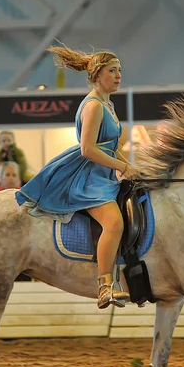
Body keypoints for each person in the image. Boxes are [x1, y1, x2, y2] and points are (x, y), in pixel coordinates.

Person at [15, 44, 140, 309]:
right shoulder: (94, 106)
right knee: (114, 223)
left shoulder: (108, 103)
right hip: (89, 176)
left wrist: (130, 167)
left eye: (119, 70)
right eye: (112, 71)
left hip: (105, 172)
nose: (118, 76)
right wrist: (121, 165)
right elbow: (88, 149)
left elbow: (110, 145)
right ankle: (105, 286)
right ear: (97, 75)